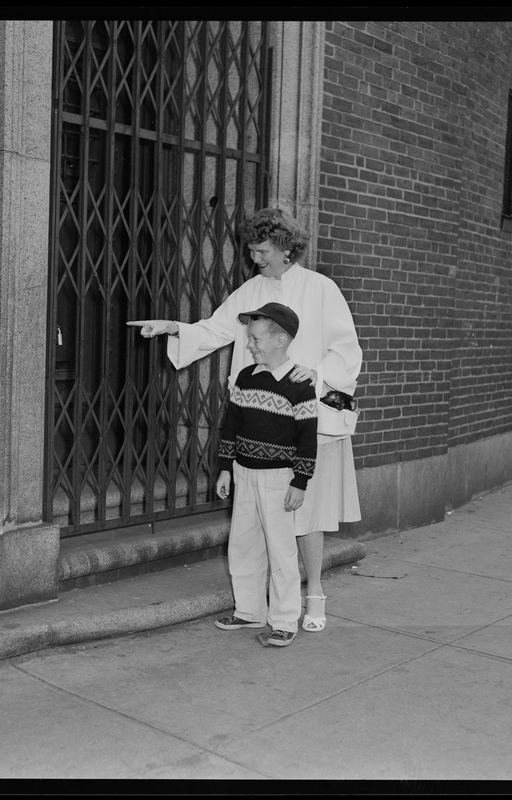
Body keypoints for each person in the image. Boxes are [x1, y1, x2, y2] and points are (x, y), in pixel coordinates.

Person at [128, 206, 363, 632]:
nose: (256, 258)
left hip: (306, 419)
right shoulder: (251, 290)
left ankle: (312, 599)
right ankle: (255, 607)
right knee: (254, 525)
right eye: (252, 250)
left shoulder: (321, 289)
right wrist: (172, 328)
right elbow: (216, 329)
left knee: (306, 518)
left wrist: (318, 374)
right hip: (258, 426)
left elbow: (347, 349)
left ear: (287, 248)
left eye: (263, 250)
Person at [213, 303, 317, 647]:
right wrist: (226, 468)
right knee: (242, 543)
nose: (250, 345)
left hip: (278, 478)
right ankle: (249, 610)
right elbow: (231, 425)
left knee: (280, 549)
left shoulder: (300, 386)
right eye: (250, 338)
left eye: (256, 338)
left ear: (281, 340)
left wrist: (300, 481)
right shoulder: (246, 378)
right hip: (244, 472)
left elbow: (307, 439)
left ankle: (285, 619)